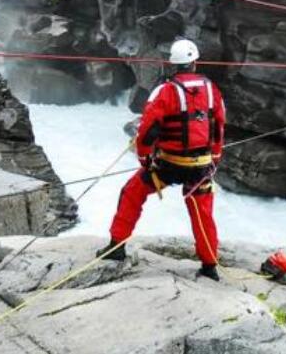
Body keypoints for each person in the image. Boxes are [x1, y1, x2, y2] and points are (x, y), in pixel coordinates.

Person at [96, 39, 226, 281]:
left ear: (172, 65)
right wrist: (215, 158)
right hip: (200, 168)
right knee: (202, 213)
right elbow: (218, 125)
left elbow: (147, 130)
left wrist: (144, 158)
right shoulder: (212, 90)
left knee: (132, 192)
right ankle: (209, 267)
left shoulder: (165, 91)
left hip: (168, 165)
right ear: (195, 63)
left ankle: (116, 248)